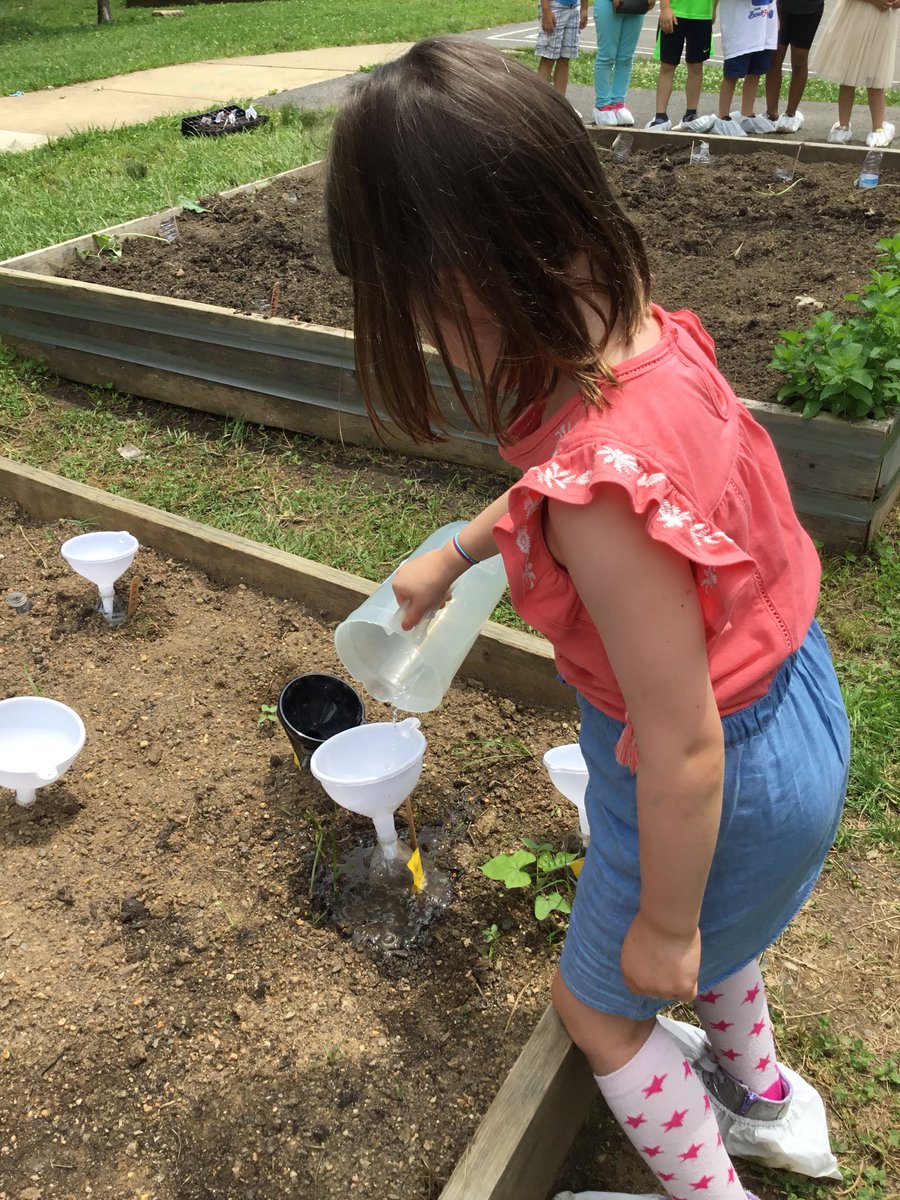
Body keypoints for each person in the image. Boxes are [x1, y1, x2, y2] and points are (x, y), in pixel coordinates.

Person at [326, 39, 849, 1200]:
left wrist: (663, 926)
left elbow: (680, 744)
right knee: (724, 923)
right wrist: (458, 552)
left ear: (453, 281)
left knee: (600, 1007)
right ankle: (758, 1100)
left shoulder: (601, 497)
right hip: (796, 698)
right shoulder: (647, 348)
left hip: (719, 770)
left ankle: (716, 1191)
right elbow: (582, 476)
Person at [812, 0, 898, 148]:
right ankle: (869, 128)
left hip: (872, 14)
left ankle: (854, 128)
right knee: (856, 70)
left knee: (869, 70)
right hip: (860, 13)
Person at [646, 0, 718, 130]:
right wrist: (665, 7)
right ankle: (660, 117)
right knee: (667, 66)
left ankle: (690, 116)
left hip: (702, 15)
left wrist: (713, 9)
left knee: (696, 66)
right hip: (674, 13)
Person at [713, 0, 779, 136]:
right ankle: (723, 116)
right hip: (740, 27)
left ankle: (747, 113)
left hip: (764, 21)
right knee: (732, 73)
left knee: (756, 71)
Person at [763, 0, 826, 133]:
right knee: (775, 57)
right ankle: (771, 114)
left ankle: (790, 114)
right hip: (781, 6)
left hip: (810, 9)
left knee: (799, 60)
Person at [593, 0, 656, 127]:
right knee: (606, 57)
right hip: (608, 4)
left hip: (636, 5)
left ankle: (618, 103)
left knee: (626, 58)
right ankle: (603, 104)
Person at [537, 0, 590, 103]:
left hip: (573, 7)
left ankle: (561, 105)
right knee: (548, 58)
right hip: (554, 6)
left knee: (565, 58)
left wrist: (584, 8)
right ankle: (538, 105)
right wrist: (546, 9)